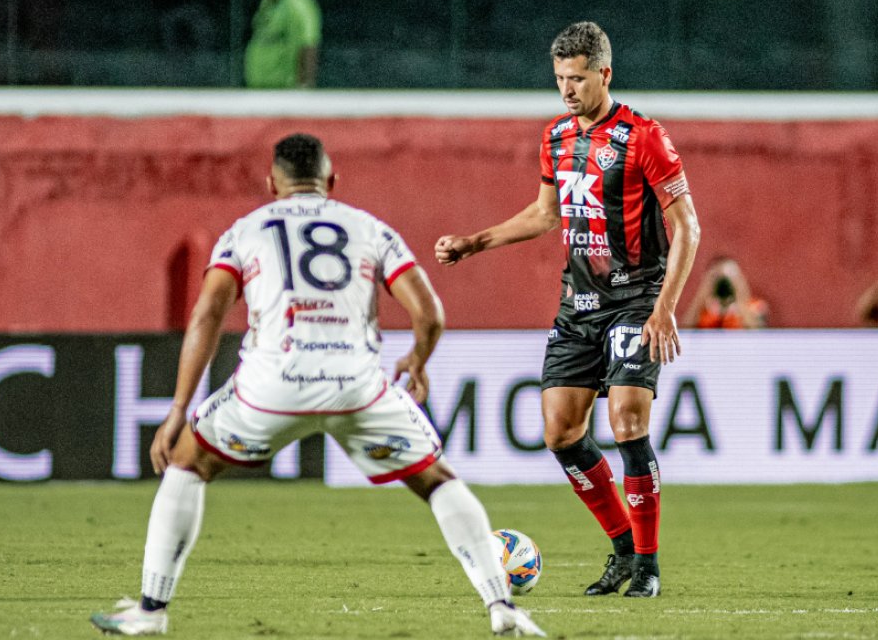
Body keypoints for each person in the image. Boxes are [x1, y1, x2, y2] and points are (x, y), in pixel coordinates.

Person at [91, 134, 543, 637]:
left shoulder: (245, 231)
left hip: (271, 387)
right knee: (437, 480)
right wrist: (417, 359)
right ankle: (500, 605)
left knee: (188, 464)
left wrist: (179, 409)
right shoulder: (368, 228)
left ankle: (151, 611)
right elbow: (430, 313)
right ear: (331, 182)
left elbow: (206, 315)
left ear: (272, 184)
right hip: (356, 386)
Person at [435, 21, 700, 599]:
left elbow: (688, 228)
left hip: (635, 299)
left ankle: (650, 566)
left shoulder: (644, 136)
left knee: (628, 419)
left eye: (577, 78)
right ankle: (624, 551)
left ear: (605, 73)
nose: (566, 89)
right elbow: (544, 215)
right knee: (560, 432)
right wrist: (474, 242)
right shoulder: (555, 136)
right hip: (578, 305)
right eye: (559, 78)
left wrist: (664, 308)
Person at [243, 0, 321, 89]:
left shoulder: (299, 4)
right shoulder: (267, 3)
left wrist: (305, 84)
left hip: (284, 88)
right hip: (260, 85)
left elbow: (309, 45)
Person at [682, 256, 768, 329]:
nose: (724, 283)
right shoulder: (702, 309)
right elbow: (686, 330)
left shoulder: (756, 306)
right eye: (717, 277)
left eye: (731, 276)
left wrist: (739, 298)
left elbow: (758, 331)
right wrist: (702, 295)